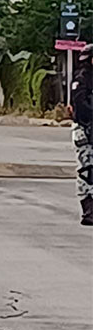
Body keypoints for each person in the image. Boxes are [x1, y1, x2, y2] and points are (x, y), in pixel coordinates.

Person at [70, 44, 93, 226]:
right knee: (86, 170)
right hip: (85, 131)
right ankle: (88, 209)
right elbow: (82, 108)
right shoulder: (82, 79)